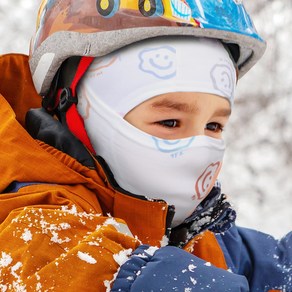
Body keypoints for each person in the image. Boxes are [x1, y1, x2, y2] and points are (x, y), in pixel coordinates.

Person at [0, 0, 291, 291]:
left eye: (213, 126)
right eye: (170, 122)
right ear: (77, 112)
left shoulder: (197, 235)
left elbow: (274, 266)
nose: (198, 148)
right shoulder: (30, 228)